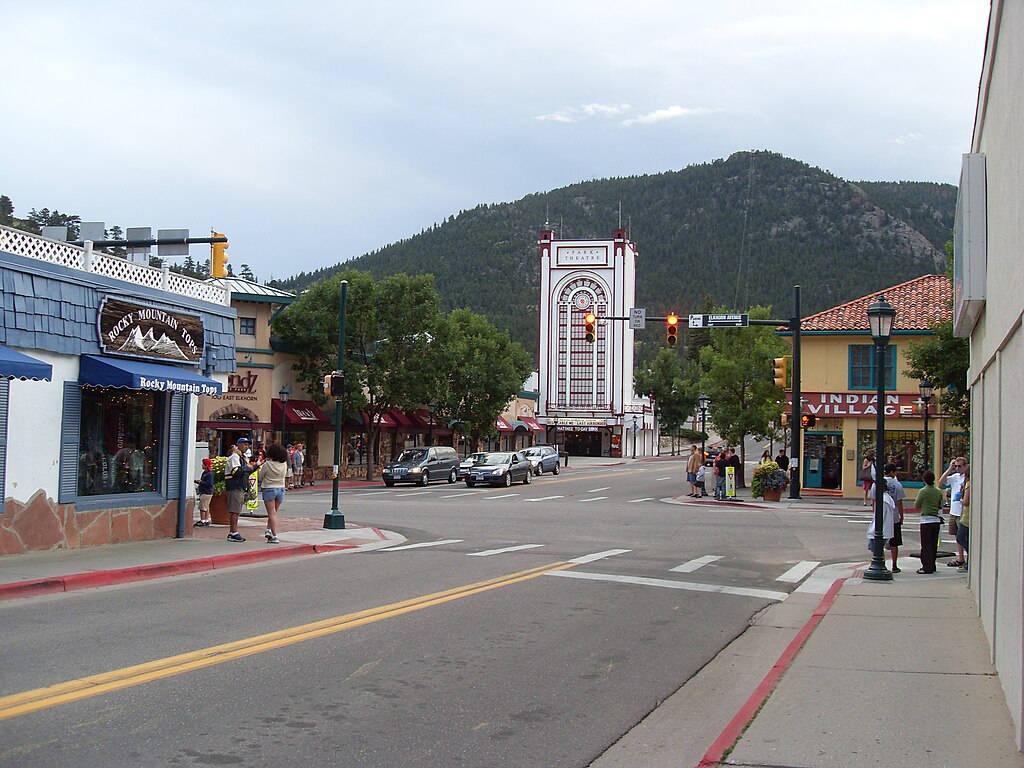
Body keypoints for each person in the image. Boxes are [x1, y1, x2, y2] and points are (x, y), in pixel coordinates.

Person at [939, 457, 968, 568]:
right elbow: (941, 482)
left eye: (959, 466)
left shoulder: (967, 478)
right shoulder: (955, 477)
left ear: (965, 466)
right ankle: (960, 557)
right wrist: (950, 468)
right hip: (954, 510)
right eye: (956, 466)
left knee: (963, 536)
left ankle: (968, 558)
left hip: (962, 511)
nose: (957, 468)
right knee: (956, 535)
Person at [258, 443, 289, 544]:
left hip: (269, 488)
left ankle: (275, 535)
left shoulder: (267, 464)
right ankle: (268, 530)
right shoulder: (284, 464)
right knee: (274, 512)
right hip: (280, 488)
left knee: (271, 513)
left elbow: (260, 476)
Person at [914, 470, 944, 573]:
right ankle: (932, 564)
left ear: (924, 479)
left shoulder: (923, 491)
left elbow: (916, 505)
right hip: (936, 520)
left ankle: (926, 567)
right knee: (933, 544)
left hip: (926, 520)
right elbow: (940, 505)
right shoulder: (938, 491)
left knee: (926, 545)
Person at [224, 446, 254, 542]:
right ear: (239, 445)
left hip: (240, 487)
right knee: (234, 511)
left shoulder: (242, 458)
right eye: (244, 444)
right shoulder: (234, 457)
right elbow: (235, 471)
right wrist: (247, 467)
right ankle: (233, 532)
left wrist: (255, 466)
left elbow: (246, 472)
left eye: (247, 445)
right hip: (234, 486)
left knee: (236, 510)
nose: (246, 446)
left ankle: (233, 532)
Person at [956, 466, 971, 573]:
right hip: (967, 516)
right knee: (966, 538)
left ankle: (971, 555)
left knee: (960, 538)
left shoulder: (968, 485)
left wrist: (960, 499)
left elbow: (966, 501)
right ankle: (968, 561)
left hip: (966, 517)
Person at [194, 457, 214, 527]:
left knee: (203, 507)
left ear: (206, 465)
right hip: (206, 492)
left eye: (203, 464)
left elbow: (209, 484)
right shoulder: (205, 473)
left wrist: (200, 482)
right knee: (206, 506)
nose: (202, 465)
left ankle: (203, 520)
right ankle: (206, 520)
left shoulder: (209, 474)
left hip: (206, 492)